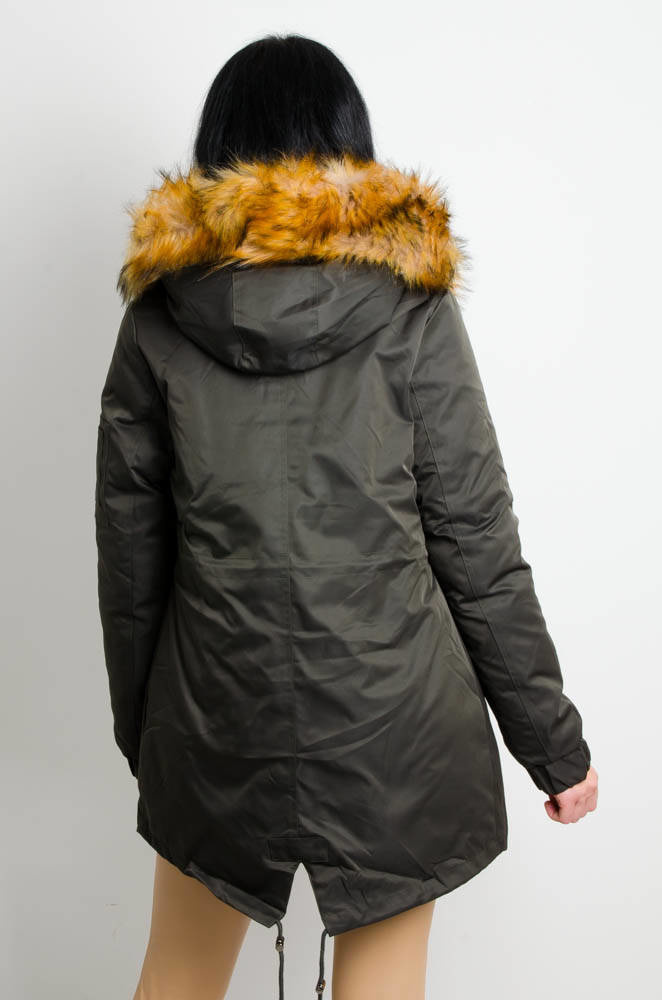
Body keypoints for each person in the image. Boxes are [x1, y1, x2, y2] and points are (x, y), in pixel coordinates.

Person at [94, 31, 598, 1000]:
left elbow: (130, 562)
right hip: (397, 727)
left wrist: (150, 738)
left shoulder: (158, 315)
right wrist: (552, 746)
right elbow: (475, 543)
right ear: (348, 144)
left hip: (215, 718)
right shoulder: (411, 307)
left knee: (177, 979)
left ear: (218, 148)